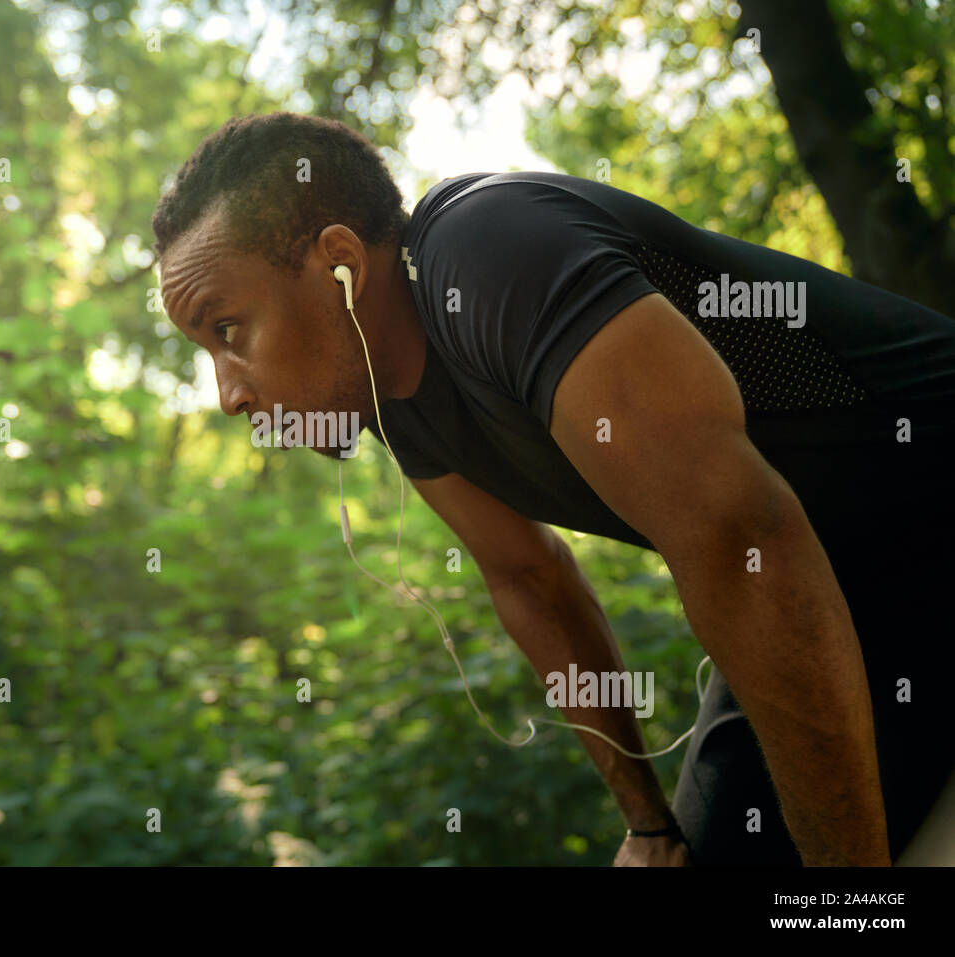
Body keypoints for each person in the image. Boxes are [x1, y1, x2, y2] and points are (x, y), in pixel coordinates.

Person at [150, 111, 955, 866]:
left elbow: (744, 540)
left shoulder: (491, 251)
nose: (229, 395)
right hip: (848, 588)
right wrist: (647, 825)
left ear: (340, 266)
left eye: (228, 331)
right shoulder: (401, 410)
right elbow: (528, 579)